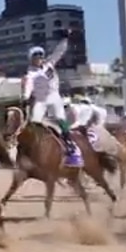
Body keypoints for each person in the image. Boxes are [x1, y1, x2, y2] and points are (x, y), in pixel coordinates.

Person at [22, 31, 81, 166]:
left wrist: (65, 38)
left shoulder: (49, 64)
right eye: (35, 56)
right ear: (31, 59)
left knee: (60, 119)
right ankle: (33, 147)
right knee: (34, 121)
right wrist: (25, 98)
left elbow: (59, 51)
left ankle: (70, 145)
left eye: (40, 55)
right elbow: (29, 86)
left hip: (54, 97)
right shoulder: (31, 73)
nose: (39, 58)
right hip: (41, 99)